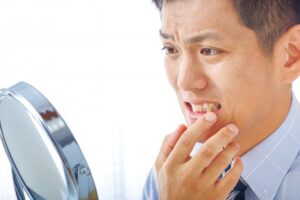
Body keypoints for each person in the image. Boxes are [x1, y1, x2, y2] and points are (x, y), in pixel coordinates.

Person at [143, 0, 300, 199]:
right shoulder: (171, 177)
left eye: (209, 50)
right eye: (171, 49)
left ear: (290, 56)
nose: (184, 82)